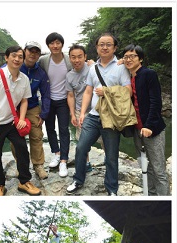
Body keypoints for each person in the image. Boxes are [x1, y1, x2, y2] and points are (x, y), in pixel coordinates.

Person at [67, 33, 131, 196]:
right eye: (101, 44)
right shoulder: (93, 68)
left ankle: (111, 189)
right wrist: (82, 113)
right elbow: (88, 91)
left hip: (112, 118)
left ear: (114, 48)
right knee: (81, 148)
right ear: (96, 48)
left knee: (111, 154)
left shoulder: (120, 67)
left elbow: (128, 91)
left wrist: (107, 91)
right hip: (93, 116)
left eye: (108, 44)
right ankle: (78, 179)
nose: (104, 47)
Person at [0, 41, 51, 180]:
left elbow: (45, 94)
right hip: (11, 109)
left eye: (36, 52)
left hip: (31, 107)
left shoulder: (40, 73)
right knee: (17, 139)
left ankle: (38, 165)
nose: (33, 54)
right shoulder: (10, 67)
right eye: (30, 51)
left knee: (36, 135)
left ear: (39, 55)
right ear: (25, 52)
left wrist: (43, 114)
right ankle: (20, 164)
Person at [122, 44, 170, 196]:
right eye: (126, 57)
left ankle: (164, 200)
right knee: (145, 164)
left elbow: (156, 102)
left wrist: (148, 125)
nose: (129, 59)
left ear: (140, 59)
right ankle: (151, 195)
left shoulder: (149, 74)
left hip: (152, 129)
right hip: (137, 130)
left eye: (132, 56)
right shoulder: (128, 77)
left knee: (158, 169)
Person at [39, 32, 72, 177]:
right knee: (50, 128)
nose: (55, 45)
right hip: (48, 101)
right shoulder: (43, 60)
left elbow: (82, 65)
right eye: (52, 43)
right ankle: (56, 153)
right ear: (48, 45)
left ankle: (64, 160)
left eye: (58, 43)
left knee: (64, 129)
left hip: (64, 100)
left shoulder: (68, 60)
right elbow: (26, 65)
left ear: (62, 44)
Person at [66, 44, 103, 172]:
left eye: (80, 57)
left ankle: (108, 160)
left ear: (85, 57)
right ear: (70, 58)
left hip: (98, 110)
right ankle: (86, 164)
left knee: (104, 139)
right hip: (79, 111)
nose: (77, 60)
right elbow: (70, 95)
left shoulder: (93, 68)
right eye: (73, 57)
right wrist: (72, 114)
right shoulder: (69, 76)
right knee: (82, 141)